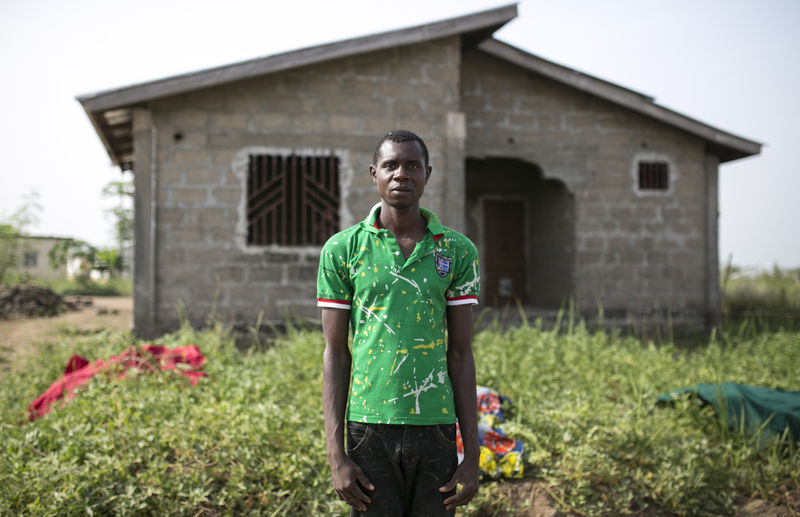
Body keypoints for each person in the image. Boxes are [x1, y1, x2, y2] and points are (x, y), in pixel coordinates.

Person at [317, 129, 481, 516]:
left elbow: (460, 353)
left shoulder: (456, 250)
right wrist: (335, 454)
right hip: (368, 428)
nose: (401, 174)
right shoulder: (344, 249)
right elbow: (335, 354)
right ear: (374, 173)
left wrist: (472, 454)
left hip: (436, 428)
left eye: (412, 165)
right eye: (391, 165)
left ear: (428, 173)